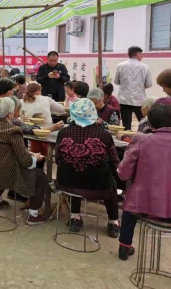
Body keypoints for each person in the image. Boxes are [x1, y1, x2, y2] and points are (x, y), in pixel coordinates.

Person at [0, 98, 48, 224]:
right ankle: (33, 215)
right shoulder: (12, 130)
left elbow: (1, 149)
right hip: (2, 172)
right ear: (10, 113)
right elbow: (26, 161)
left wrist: (27, 155)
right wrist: (36, 158)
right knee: (40, 176)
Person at [54, 99, 121, 237]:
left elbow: (57, 158)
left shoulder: (63, 133)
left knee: (75, 172)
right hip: (99, 185)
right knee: (110, 183)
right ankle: (113, 222)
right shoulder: (104, 135)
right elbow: (114, 160)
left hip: (66, 183)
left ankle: (75, 217)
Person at [117, 101, 171, 260]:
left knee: (130, 205)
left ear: (150, 123)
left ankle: (124, 246)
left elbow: (123, 173)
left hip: (142, 205)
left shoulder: (142, 140)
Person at [114, 46, 153, 130]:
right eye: (141, 54)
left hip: (124, 99)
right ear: (138, 54)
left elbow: (116, 82)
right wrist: (140, 86)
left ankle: (126, 137)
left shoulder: (120, 66)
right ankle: (144, 135)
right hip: (139, 99)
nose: (142, 56)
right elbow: (149, 84)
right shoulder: (145, 67)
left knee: (126, 124)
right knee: (144, 122)